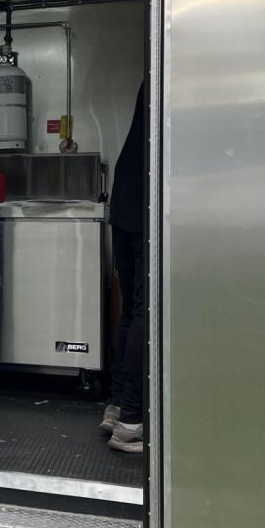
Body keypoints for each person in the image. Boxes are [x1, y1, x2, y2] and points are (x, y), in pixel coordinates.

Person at [103, 81, 147, 454]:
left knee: (132, 314)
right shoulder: (172, 68)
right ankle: (131, 423)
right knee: (144, 313)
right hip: (144, 205)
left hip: (125, 202)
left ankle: (117, 406)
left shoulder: (148, 81)